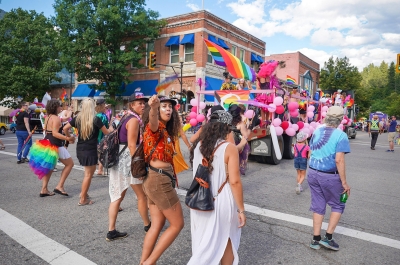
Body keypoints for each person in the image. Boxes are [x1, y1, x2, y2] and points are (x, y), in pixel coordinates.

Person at [188, 110, 246, 264]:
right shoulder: (229, 148)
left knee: (203, 243)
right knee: (226, 238)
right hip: (220, 200)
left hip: (200, 200)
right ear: (226, 128)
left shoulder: (199, 145)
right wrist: (241, 209)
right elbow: (234, 182)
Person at [140, 95, 184, 265]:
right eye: (164, 106)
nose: (168, 109)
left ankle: (143, 261)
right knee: (177, 224)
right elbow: (151, 121)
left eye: (170, 107)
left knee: (157, 224)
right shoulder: (155, 126)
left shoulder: (165, 129)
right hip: (159, 180)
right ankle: (149, 262)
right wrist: (153, 108)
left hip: (154, 179)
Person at [106, 92, 151, 241]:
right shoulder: (133, 121)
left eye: (144, 103)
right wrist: (139, 165)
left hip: (119, 158)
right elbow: (132, 145)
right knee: (141, 195)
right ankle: (147, 225)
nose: (143, 105)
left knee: (118, 195)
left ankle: (111, 230)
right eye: (139, 103)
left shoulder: (126, 116)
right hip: (127, 160)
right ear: (132, 105)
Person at [308, 106, 351, 251]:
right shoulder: (341, 135)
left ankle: (315, 239)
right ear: (340, 120)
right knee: (338, 204)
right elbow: (339, 160)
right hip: (329, 175)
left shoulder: (317, 130)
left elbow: (311, 151)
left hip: (312, 172)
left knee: (318, 204)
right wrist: (344, 183)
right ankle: (328, 238)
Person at [63, 98, 109, 206]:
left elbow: (65, 128)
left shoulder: (78, 118)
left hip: (80, 148)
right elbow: (106, 133)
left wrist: (70, 137)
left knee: (87, 173)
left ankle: (84, 193)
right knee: (88, 174)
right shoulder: (96, 119)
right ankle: (83, 198)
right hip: (91, 149)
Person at [30, 99, 75, 197]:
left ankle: (44, 189)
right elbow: (55, 133)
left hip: (47, 142)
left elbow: (65, 119)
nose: (61, 108)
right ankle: (60, 186)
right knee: (70, 164)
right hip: (55, 144)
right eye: (59, 106)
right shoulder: (56, 118)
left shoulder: (48, 117)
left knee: (49, 167)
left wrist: (70, 109)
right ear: (55, 107)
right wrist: (68, 138)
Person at [228, 104, 250, 176]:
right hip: (237, 143)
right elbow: (245, 135)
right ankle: (237, 170)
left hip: (227, 143)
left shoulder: (226, 122)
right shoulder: (240, 123)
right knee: (238, 158)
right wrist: (249, 130)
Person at [95, 99, 113, 176]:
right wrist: (111, 124)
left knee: (97, 152)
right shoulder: (103, 116)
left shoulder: (96, 115)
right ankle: (100, 169)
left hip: (95, 136)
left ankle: (96, 169)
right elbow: (106, 127)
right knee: (102, 153)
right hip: (102, 136)